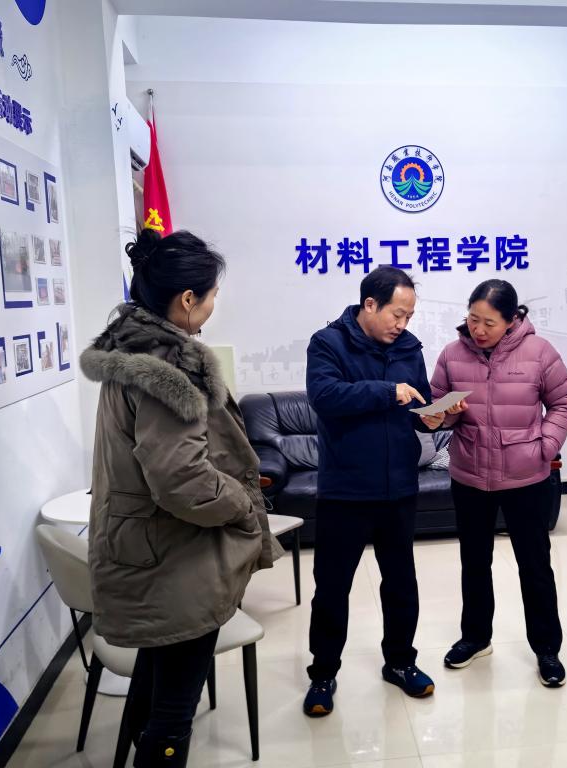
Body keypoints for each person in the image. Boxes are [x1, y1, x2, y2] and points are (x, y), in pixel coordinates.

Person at [81, 229, 278, 767]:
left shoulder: (129, 348)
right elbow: (181, 479)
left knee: (155, 684)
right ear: (188, 299)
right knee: (172, 714)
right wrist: (240, 502)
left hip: (146, 548)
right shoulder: (169, 367)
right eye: (211, 296)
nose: (213, 307)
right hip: (176, 559)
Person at [303, 266, 445, 717]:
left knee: (401, 583)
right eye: (396, 314)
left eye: (409, 316)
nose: (402, 324)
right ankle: (323, 673)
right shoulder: (328, 343)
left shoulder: (409, 348)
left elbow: (419, 405)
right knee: (332, 588)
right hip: (345, 489)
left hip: (398, 487)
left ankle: (400, 662)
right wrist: (388, 391)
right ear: (370, 304)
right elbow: (325, 397)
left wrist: (435, 416)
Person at [430, 279, 567, 687]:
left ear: (512, 320)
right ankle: (475, 638)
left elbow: (565, 402)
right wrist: (443, 414)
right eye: (472, 319)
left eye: (489, 323)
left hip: (526, 477)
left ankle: (547, 649)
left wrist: (544, 447)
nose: (478, 330)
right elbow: (439, 409)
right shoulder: (452, 355)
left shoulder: (539, 352)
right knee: (474, 561)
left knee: (535, 565)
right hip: (470, 475)